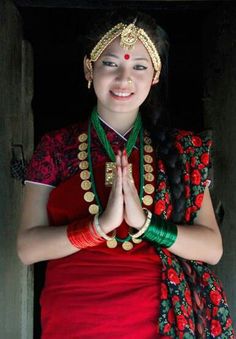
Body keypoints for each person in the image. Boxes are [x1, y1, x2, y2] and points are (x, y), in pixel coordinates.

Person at [17, 10, 234, 339]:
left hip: (159, 318)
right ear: (89, 68)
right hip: (76, 317)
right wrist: (98, 227)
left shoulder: (180, 151)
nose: (123, 79)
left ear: (155, 76)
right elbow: (28, 248)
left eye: (139, 66)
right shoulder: (56, 147)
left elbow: (212, 248)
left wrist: (146, 224)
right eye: (110, 63)